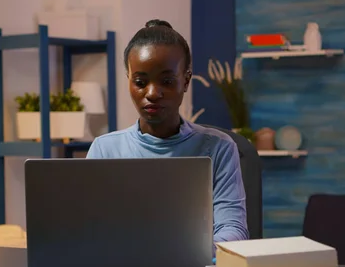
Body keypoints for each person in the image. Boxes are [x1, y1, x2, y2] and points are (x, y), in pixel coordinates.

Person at [86, 19, 249, 249]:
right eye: (140, 82)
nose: (152, 93)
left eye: (167, 81)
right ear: (129, 82)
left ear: (186, 80)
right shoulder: (104, 150)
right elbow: (88, 229)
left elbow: (234, 230)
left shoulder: (219, 148)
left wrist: (188, 253)